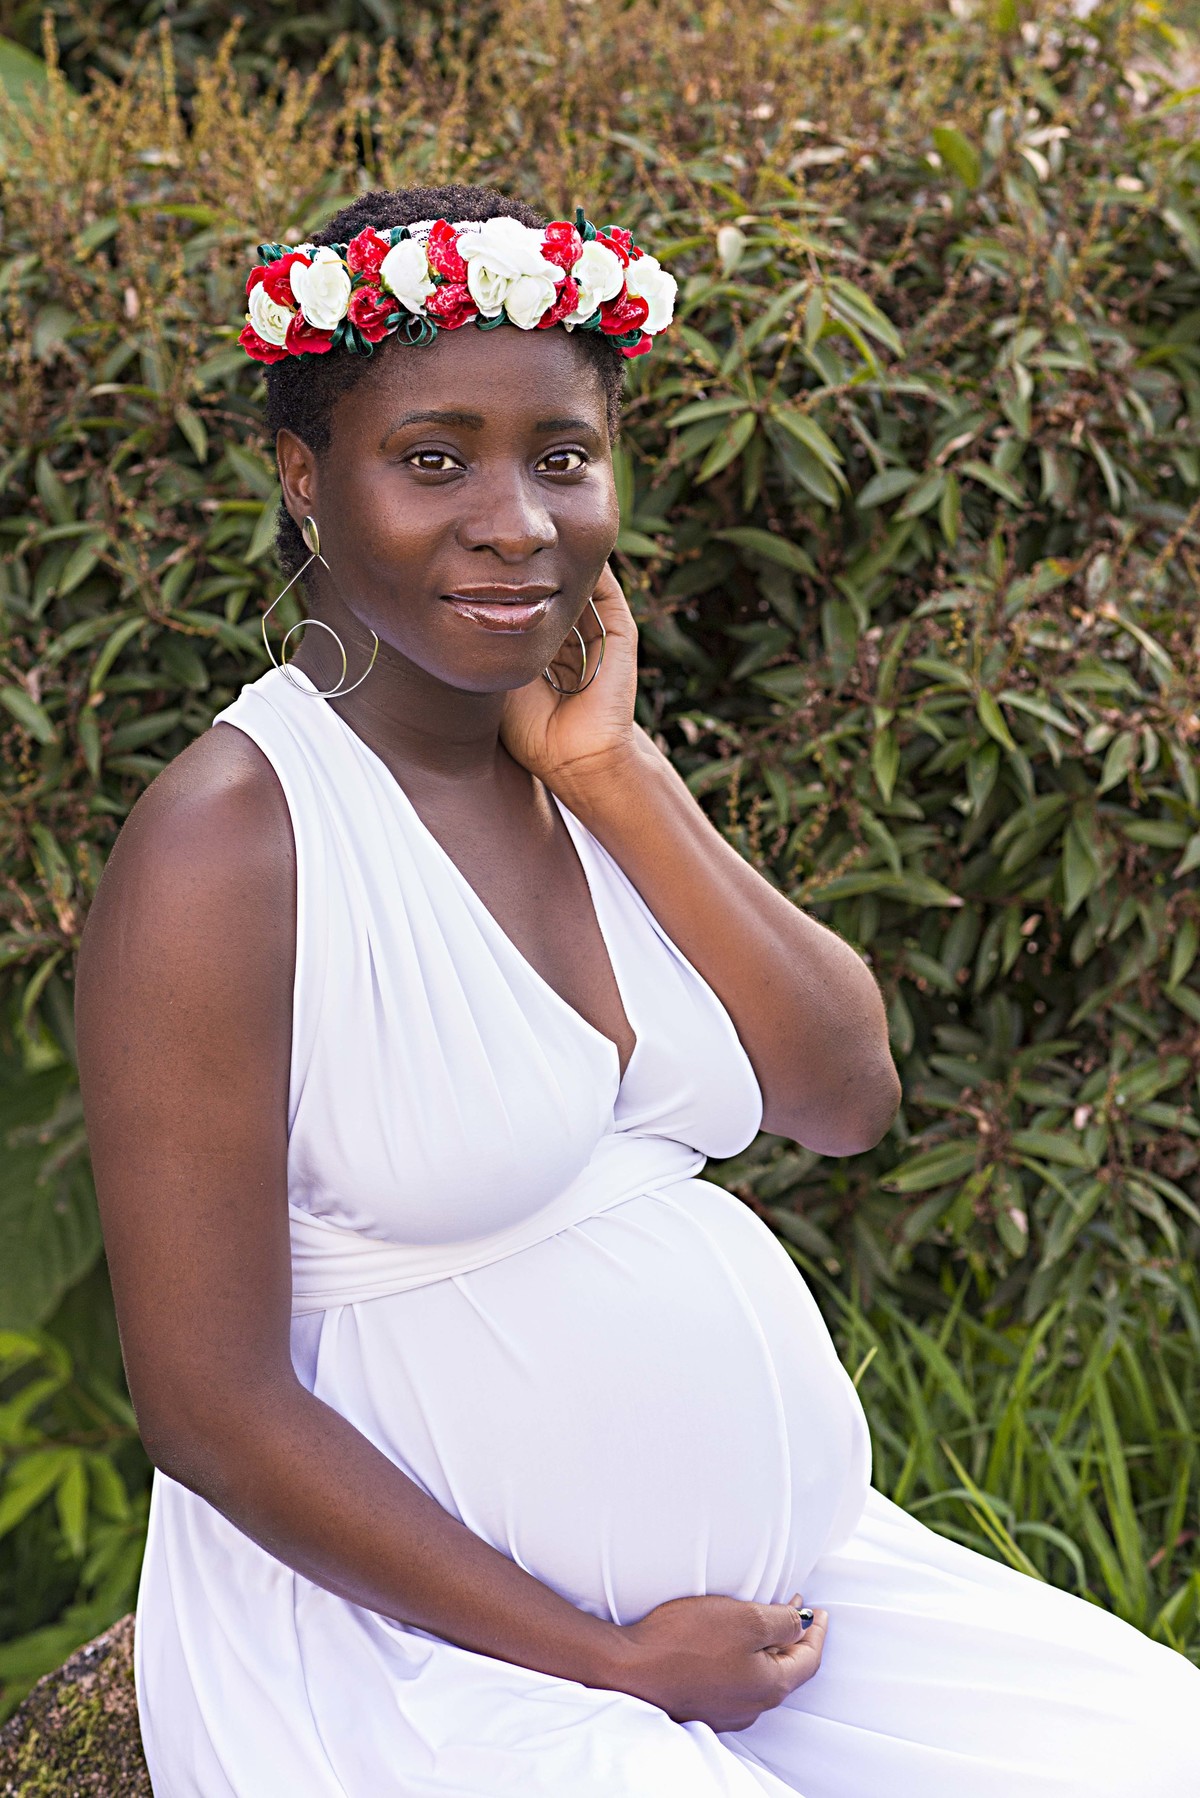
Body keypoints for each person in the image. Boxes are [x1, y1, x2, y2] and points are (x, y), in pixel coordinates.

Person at [74, 184, 1200, 1798]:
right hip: (415, 1653)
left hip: (776, 1616)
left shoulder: (568, 767)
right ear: (304, 479)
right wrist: (604, 1659)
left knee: (1158, 1750)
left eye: (563, 456)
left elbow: (842, 1095)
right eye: (435, 458)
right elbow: (208, 1403)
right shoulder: (232, 836)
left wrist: (617, 775)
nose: (519, 518)